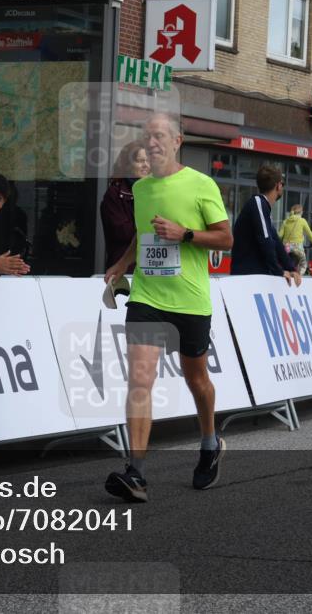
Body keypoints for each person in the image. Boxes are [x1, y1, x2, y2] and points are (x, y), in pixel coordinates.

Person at [102, 112, 233, 503]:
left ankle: (210, 443)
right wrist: (122, 265)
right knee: (140, 380)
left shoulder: (200, 184)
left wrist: (185, 234)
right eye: (147, 137)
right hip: (147, 297)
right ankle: (136, 473)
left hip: (190, 299)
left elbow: (226, 239)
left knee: (197, 381)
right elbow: (141, 237)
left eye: (159, 136)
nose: (152, 143)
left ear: (177, 141)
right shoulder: (141, 190)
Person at [230, 163, 301, 286]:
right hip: (246, 278)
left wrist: (291, 269)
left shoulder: (264, 208)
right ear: (278, 185)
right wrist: (278, 270)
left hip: (255, 277)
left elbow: (276, 242)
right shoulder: (258, 203)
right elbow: (266, 240)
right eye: (282, 184)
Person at [101, 140, 149, 270]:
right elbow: (123, 233)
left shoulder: (155, 191)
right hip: (125, 269)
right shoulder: (114, 194)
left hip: (151, 268)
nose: (146, 165)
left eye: (148, 161)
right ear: (127, 165)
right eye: (140, 161)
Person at [278, 203, 312, 275]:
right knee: (303, 264)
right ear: (300, 212)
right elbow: (310, 234)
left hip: (286, 248)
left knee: (283, 263)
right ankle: (298, 277)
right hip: (297, 248)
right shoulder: (302, 221)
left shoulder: (285, 221)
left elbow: (279, 235)